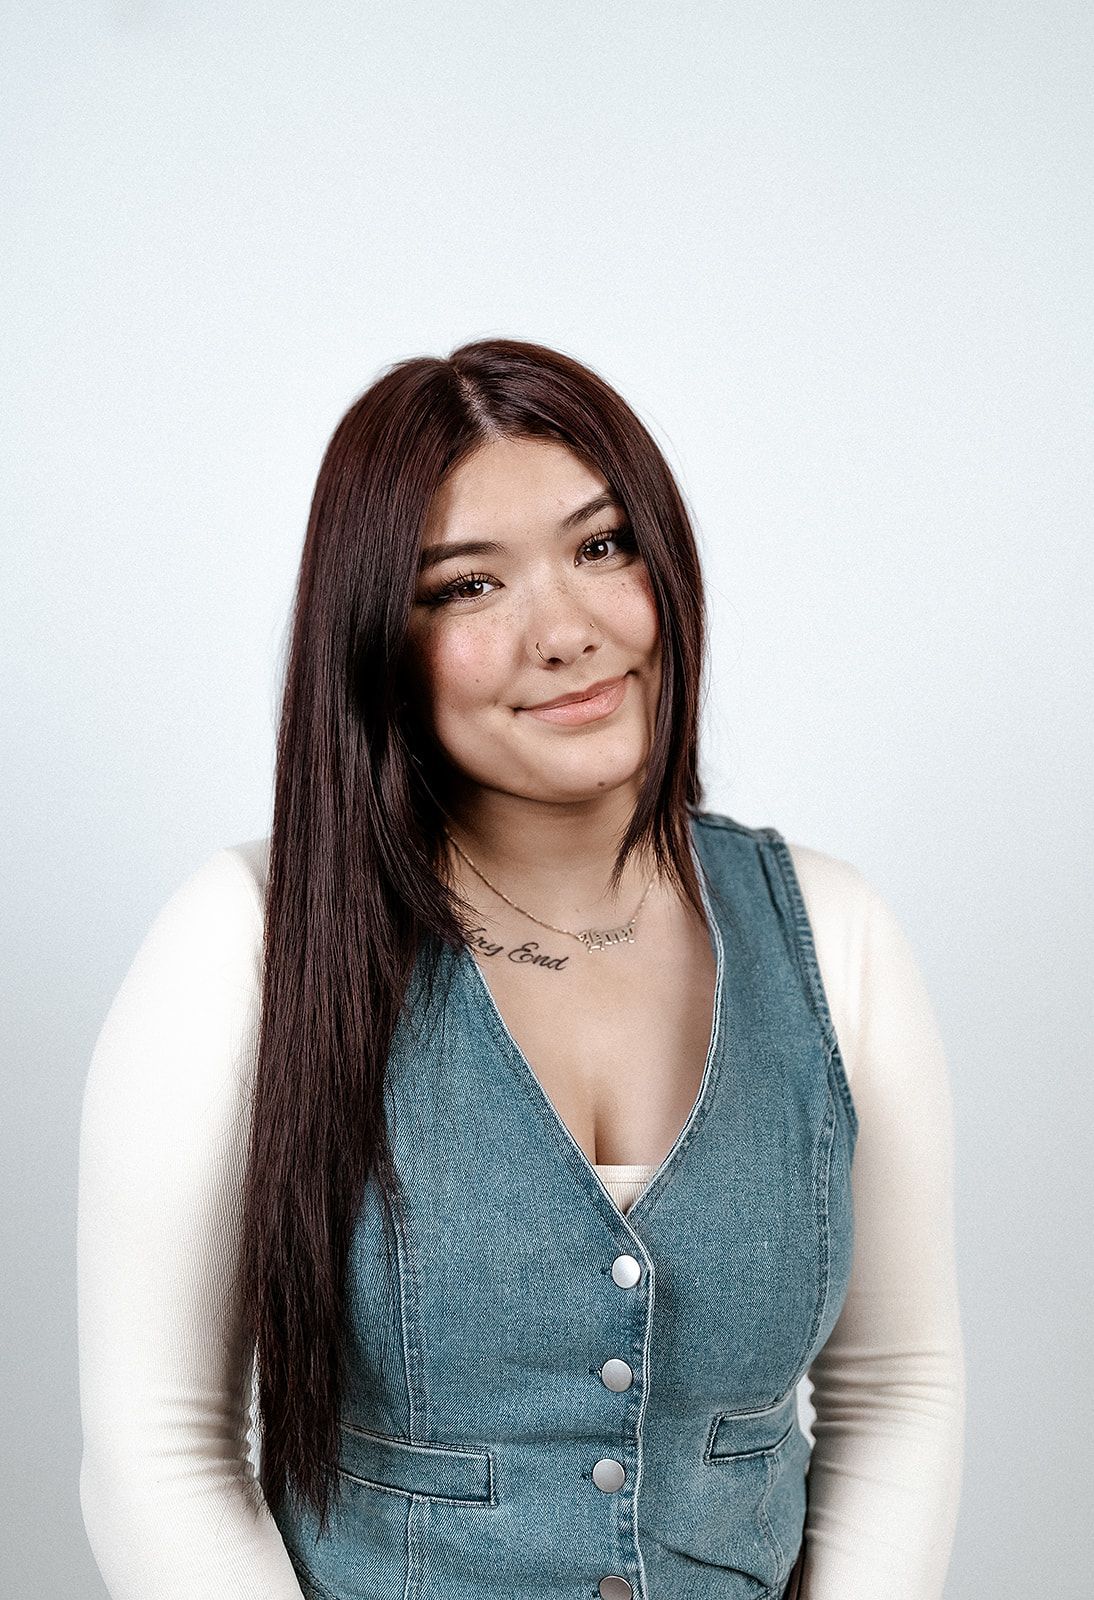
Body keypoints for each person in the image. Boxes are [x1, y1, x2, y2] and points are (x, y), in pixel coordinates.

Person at [76, 338, 966, 1600]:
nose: (566, 631)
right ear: (380, 636)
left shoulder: (833, 930)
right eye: (468, 587)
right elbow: (158, 1453)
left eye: (601, 547)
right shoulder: (247, 940)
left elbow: (895, 1389)